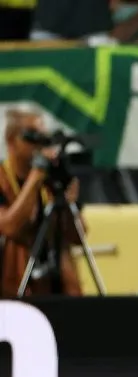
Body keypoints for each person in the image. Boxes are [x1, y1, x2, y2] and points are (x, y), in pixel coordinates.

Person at [0, 107, 84, 297]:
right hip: (10, 288)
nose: (39, 144)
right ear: (11, 141)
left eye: (43, 137)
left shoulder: (50, 180)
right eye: (32, 136)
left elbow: (78, 237)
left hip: (53, 288)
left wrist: (67, 204)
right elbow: (9, 227)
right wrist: (35, 177)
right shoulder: (3, 179)